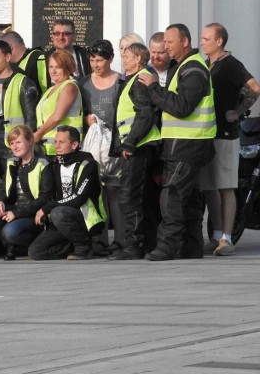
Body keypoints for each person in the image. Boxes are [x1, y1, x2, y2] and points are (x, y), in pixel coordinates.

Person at [139, 23, 216, 261]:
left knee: (171, 196)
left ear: (185, 42)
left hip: (187, 145)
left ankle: (167, 246)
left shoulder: (193, 69)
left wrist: (153, 88)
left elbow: (181, 107)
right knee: (190, 198)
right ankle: (191, 247)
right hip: (183, 145)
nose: (166, 46)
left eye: (170, 42)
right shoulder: (183, 67)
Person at [199, 23, 260, 256]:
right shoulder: (206, 64)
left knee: (225, 186)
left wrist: (237, 111)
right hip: (206, 133)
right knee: (209, 187)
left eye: (206, 38)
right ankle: (215, 236)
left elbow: (254, 87)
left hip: (225, 134)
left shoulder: (231, 64)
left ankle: (227, 238)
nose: (202, 41)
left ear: (219, 41)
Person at [108, 43, 161, 260]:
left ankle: (133, 245)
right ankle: (145, 241)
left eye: (127, 55)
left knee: (129, 196)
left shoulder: (139, 80)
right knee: (141, 196)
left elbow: (144, 114)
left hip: (138, 147)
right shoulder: (134, 79)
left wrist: (130, 143)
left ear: (138, 58)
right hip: (139, 145)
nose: (123, 58)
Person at [28, 126, 106, 260]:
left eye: (61, 142)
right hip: (62, 220)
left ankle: (83, 246)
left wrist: (47, 208)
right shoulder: (55, 163)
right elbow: (50, 195)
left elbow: (79, 198)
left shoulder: (88, 163)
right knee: (35, 252)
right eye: (55, 142)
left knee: (59, 212)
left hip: (84, 218)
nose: (57, 146)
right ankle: (77, 246)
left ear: (74, 144)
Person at [78, 39, 124, 251]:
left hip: (114, 144)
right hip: (93, 144)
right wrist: (85, 120)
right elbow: (78, 111)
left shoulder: (120, 82)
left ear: (111, 59)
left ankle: (121, 239)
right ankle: (99, 239)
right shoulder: (84, 83)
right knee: (96, 191)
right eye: (92, 60)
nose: (96, 65)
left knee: (114, 191)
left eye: (100, 60)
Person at [0, 125, 50, 260]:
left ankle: (21, 244)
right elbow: (3, 188)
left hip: (33, 213)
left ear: (30, 140)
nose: (14, 147)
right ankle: (12, 244)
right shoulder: (11, 163)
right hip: (15, 209)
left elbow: (46, 197)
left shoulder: (43, 163)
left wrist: (16, 213)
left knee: (10, 232)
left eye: (18, 142)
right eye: (12, 143)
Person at [0, 40, 38, 177]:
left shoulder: (23, 82)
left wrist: (23, 145)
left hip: (11, 145)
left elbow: (31, 118)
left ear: (8, 57)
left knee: (12, 187)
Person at [34, 50, 83, 156]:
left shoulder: (69, 87)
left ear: (67, 68)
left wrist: (37, 134)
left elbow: (57, 117)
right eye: (51, 67)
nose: (53, 71)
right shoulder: (50, 89)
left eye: (58, 67)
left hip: (65, 149)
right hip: (47, 148)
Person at [1, 30, 49, 95]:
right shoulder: (17, 64)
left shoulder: (37, 59)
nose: (1, 54)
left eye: (2, 50)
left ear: (9, 47)